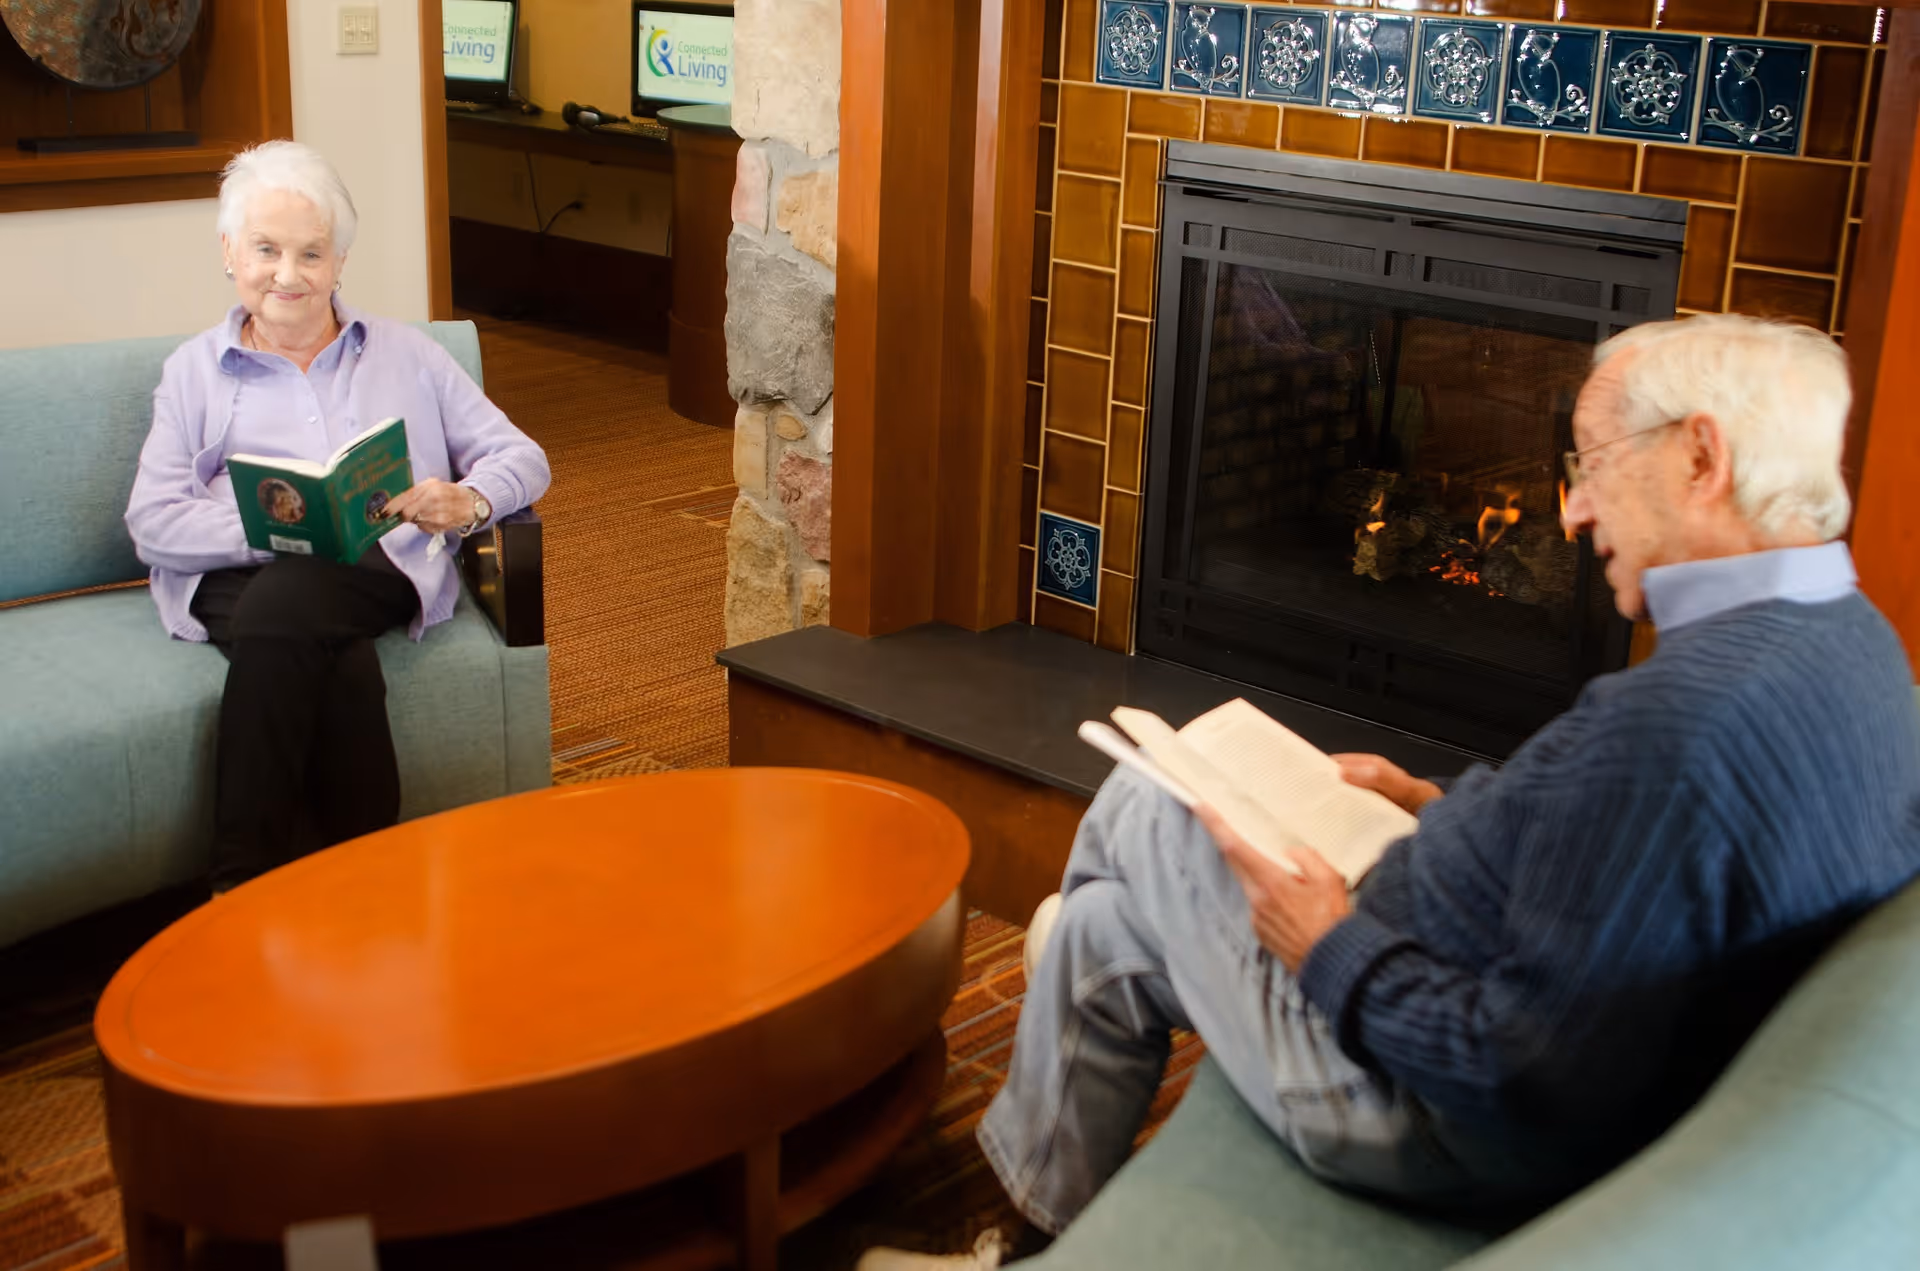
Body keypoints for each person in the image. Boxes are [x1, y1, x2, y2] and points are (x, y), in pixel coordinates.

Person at [860, 314, 1920, 1269]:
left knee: (1150, 798)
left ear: (1701, 454)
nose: (1576, 509)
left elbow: (1521, 1074)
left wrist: (1327, 943)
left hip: (1419, 1108)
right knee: (1103, 928)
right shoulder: (1857, 645)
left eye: (1592, 461)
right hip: (1458, 983)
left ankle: (1099, 934)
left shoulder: (1684, 724)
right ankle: (1032, 1224)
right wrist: (1429, 801)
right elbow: (1608, 854)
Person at [125, 140, 551, 893]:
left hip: (375, 564)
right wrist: (269, 535)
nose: (287, 275)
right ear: (230, 251)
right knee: (327, 649)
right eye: (265, 249)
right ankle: (362, 883)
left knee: (289, 604)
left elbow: (523, 456)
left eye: (311, 253)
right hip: (236, 574)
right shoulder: (193, 370)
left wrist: (470, 500)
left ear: (340, 262)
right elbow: (152, 522)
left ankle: (240, 885)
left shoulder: (408, 354)